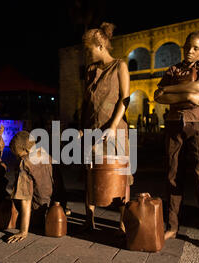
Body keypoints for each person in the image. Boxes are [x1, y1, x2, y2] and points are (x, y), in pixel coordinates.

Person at [154, 31, 199, 252]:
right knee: (173, 177)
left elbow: (195, 87)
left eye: (195, 48)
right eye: (187, 47)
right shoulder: (173, 69)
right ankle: (172, 227)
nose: (190, 51)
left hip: (198, 128)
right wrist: (188, 96)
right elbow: (158, 96)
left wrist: (172, 90)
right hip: (174, 126)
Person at [80, 22, 133, 233]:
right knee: (90, 173)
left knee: (122, 176)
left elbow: (125, 99)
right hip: (93, 130)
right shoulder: (90, 70)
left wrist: (112, 127)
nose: (87, 54)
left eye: (89, 49)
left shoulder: (120, 66)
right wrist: (82, 127)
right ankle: (89, 219)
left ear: (100, 46)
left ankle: (122, 221)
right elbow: (86, 102)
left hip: (115, 130)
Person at [6, 131, 69, 243]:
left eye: (17, 155)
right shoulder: (47, 156)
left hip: (38, 215)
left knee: (11, 198)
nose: (17, 158)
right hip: (57, 212)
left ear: (25, 150)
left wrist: (23, 231)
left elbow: (25, 198)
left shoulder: (25, 162)